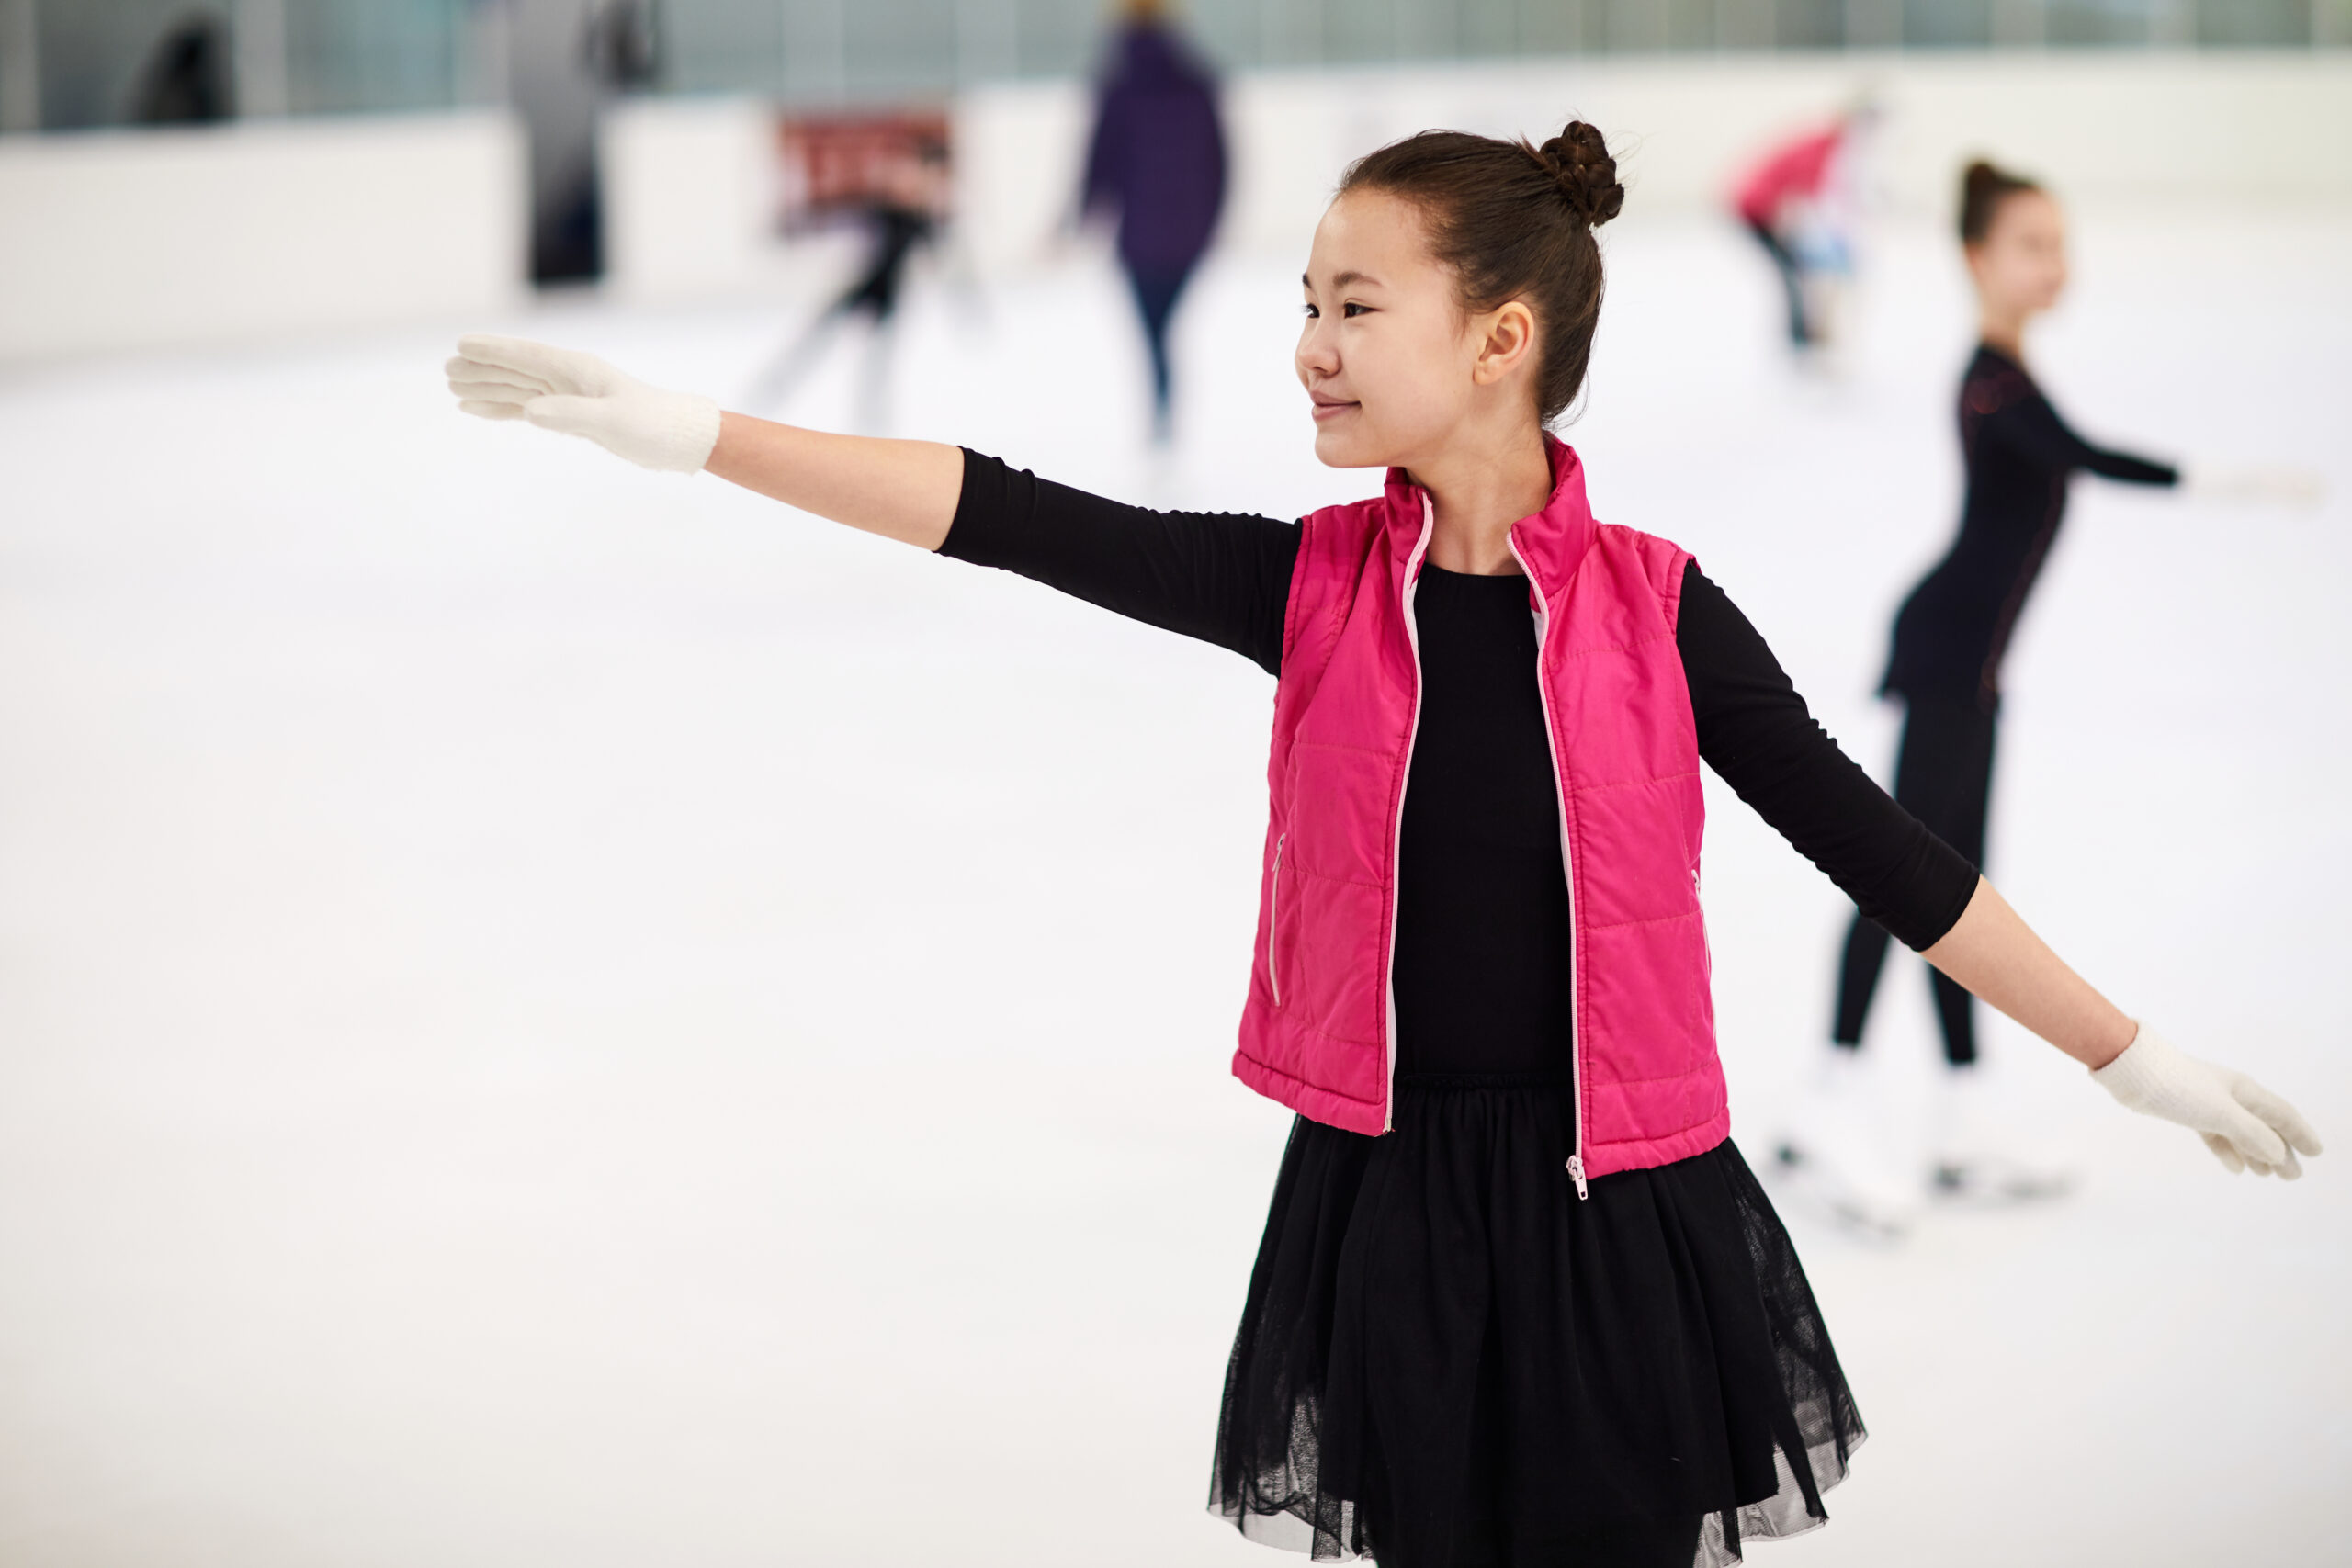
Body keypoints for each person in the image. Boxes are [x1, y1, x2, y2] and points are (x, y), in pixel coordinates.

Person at [444, 121, 2319, 1568]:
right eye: (1305, 305)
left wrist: (2130, 1056)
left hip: (1620, 1210)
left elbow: (1892, 859)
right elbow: (1005, 513)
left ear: (1498, 340)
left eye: (1354, 307)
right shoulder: (1315, 588)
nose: (1309, 350)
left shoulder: (1661, 614)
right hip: (1393, 1212)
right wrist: (693, 431)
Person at [1781, 158, 2312, 1235]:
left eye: (2059, 244)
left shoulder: (2011, 375)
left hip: (1971, 668)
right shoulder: (1992, 383)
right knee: (1895, 879)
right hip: (1944, 658)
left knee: (1958, 887)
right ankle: (1825, 1100)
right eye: (2029, 245)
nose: (2053, 264)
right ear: (1976, 259)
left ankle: (1961, 1118)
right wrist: (2226, 480)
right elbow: (2086, 456)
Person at [1080, 0, 1227, 443]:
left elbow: (1100, 160)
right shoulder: (1197, 78)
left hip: (1140, 238)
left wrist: (1081, 215)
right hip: (1189, 235)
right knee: (1163, 331)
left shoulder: (1117, 82)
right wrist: (1211, 221)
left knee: (1155, 333)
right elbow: (1220, 162)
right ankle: (1164, 412)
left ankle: (1161, 413)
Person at [743, 133, 951, 430]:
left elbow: (939, 255)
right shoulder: (890, 207)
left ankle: (871, 417)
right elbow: (842, 210)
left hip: (888, 295)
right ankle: (777, 384)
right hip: (864, 287)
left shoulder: (921, 218)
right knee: (818, 339)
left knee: (876, 359)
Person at [1727, 103, 1871, 361]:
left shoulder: (1820, 144)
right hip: (1756, 210)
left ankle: (1804, 337)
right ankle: (1802, 340)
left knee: (1796, 274)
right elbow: (1802, 196)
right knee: (1792, 274)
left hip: (1761, 208)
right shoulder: (1821, 148)